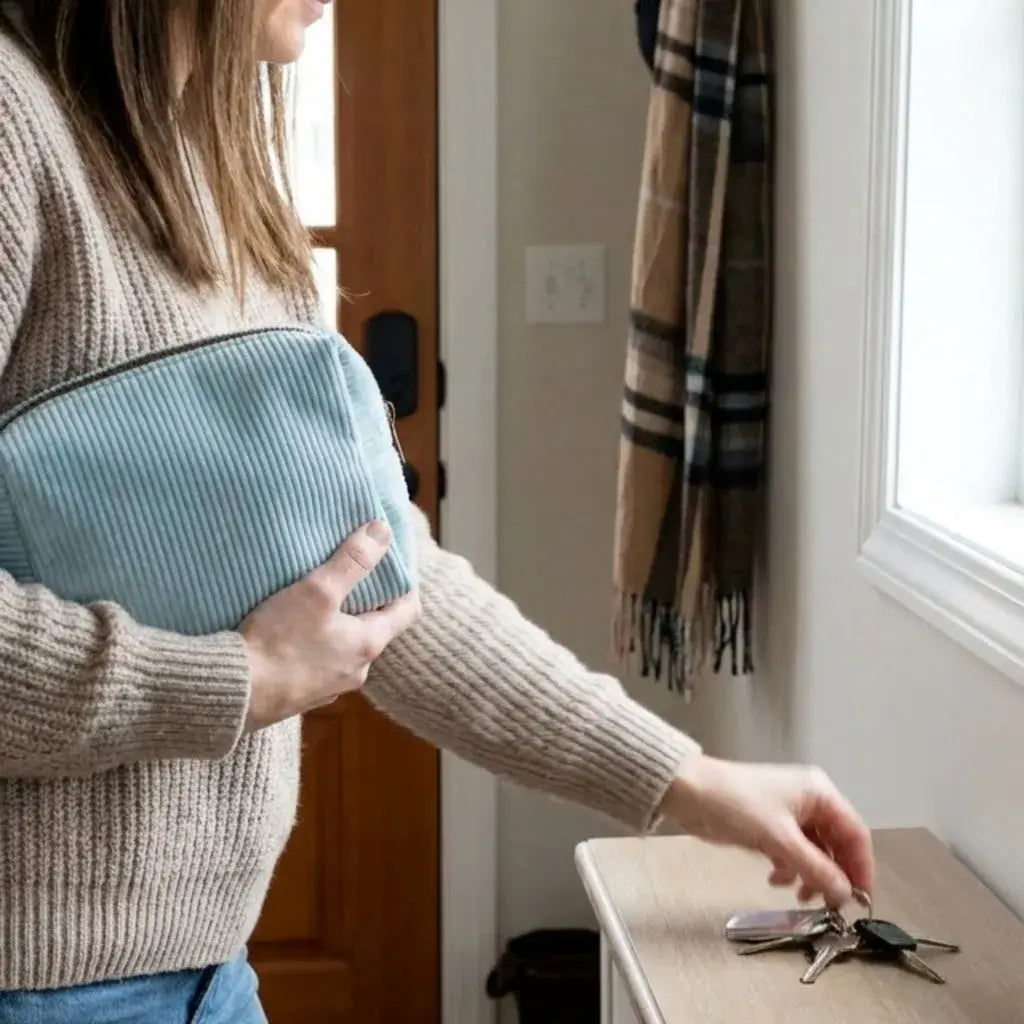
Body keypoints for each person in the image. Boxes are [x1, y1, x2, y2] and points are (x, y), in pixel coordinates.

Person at [0, 0, 874, 1020]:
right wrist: (230, 678)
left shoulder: (208, 163)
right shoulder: (15, 125)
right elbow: (284, 651)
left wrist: (685, 779)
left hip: (202, 976)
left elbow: (376, 577)